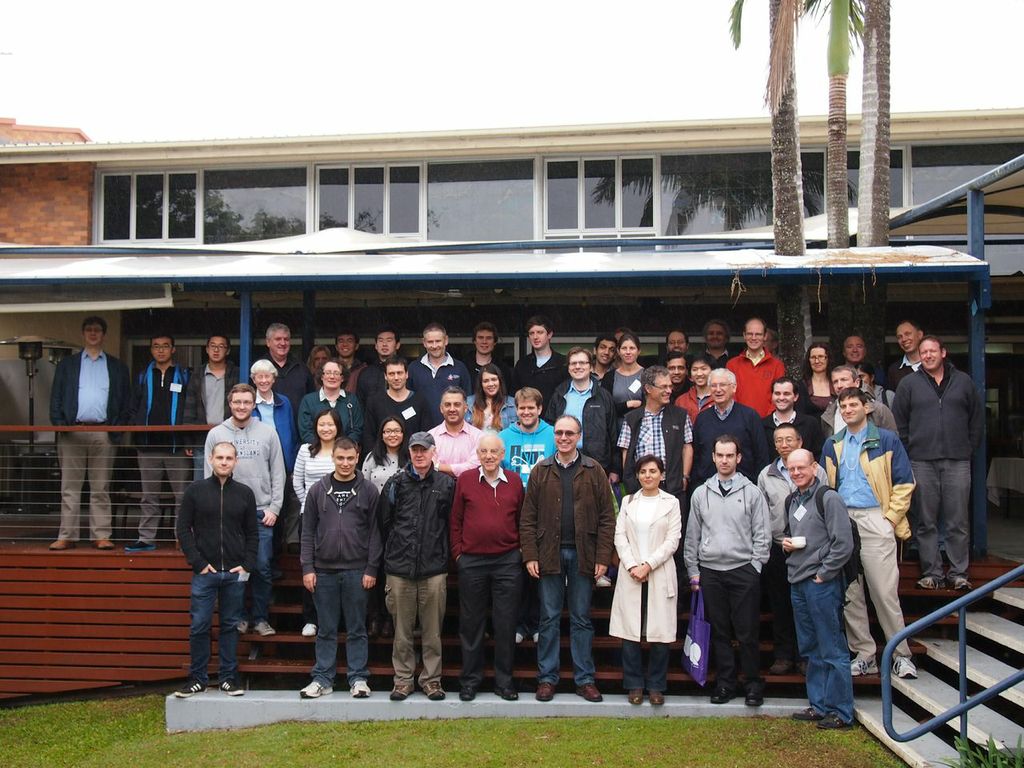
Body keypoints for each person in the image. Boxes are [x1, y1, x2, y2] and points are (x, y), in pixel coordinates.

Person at [822, 388, 918, 680]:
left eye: (854, 404)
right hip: (844, 518)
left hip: (876, 515)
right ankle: (864, 654)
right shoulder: (832, 444)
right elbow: (828, 485)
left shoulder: (885, 440)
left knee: (884, 591)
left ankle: (901, 655)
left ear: (867, 408)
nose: (848, 409)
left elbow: (904, 482)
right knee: (850, 592)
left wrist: (889, 519)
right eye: (844, 405)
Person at [520, 415, 616, 703]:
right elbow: (528, 518)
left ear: (579, 436)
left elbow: (607, 518)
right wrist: (530, 555)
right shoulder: (541, 470)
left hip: (583, 554)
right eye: (559, 433)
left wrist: (602, 557)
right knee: (548, 618)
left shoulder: (593, 469)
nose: (563, 437)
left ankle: (584, 679)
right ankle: (547, 679)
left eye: (569, 433)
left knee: (581, 619)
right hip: (548, 553)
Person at [684, 434, 771, 706]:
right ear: (713, 457)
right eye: (719, 455)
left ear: (738, 458)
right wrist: (693, 569)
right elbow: (692, 535)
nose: (724, 460)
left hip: (743, 569)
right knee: (720, 632)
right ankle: (725, 683)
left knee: (747, 632)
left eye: (729, 455)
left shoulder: (752, 492)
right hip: (710, 572)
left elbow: (762, 533)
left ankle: (752, 684)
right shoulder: (701, 493)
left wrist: (756, 566)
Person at [893, 335, 983, 591]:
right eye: (924, 352)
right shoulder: (909, 384)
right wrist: (911, 450)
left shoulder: (963, 381)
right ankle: (931, 572)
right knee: (925, 520)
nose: (928, 355)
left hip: (957, 460)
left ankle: (958, 573)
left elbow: (976, 420)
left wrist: (968, 448)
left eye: (933, 351)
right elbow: (900, 422)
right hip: (921, 461)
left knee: (958, 520)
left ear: (943, 353)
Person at [298, 438, 382, 699]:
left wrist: (371, 568)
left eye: (350, 458)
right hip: (323, 571)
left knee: (357, 628)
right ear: (333, 458)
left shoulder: (368, 490)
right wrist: (307, 567)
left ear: (357, 458)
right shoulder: (317, 490)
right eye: (340, 458)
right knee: (326, 629)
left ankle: (358, 678)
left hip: (358, 570)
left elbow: (376, 533)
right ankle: (323, 678)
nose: (345, 463)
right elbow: (307, 531)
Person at [174, 441, 257, 698]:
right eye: (219, 457)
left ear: (236, 462)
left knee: (230, 626)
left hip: (234, 573)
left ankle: (228, 679)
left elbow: (253, 534)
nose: (224, 462)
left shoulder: (244, 493)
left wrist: (247, 564)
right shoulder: (195, 491)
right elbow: (182, 529)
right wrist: (198, 563)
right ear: (210, 459)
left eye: (229, 458)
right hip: (205, 573)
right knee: (199, 625)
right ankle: (197, 678)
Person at [378, 432, 456, 702]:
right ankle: (403, 681)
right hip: (399, 568)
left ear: (434, 452)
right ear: (409, 452)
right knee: (402, 632)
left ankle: (432, 681)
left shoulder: (446, 484)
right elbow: (384, 522)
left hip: (434, 568)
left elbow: (450, 525)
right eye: (415, 450)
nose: (419, 454)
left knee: (433, 632)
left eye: (424, 450)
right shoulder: (396, 482)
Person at [204, 384, 286, 638]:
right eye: (237, 402)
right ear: (230, 404)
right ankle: (238, 617)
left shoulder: (268, 432)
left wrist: (275, 507)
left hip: (262, 514)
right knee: (235, 570)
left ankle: (260, 618)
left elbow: (278, 472)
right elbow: (209, 475)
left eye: (247, 402)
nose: (242, 406)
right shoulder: (216, 434)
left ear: (254, 404)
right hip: (229, 516)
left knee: (261, 567)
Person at [783, 448, 855, 730]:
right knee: (811, 646)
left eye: (802, 467)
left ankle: (841, 711)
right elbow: (799, 535)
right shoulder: (792, 500)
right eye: (792, 469)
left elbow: (843, 543)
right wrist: (786, 543)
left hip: (821, 583)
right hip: (798, 580)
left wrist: (825, 574)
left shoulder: (829, 497)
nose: (797, 473)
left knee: (832, 646)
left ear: (814, 467)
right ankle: (819, 704)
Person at [450, 432, 525, 701]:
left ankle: (504, 682)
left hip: (507, 561)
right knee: (472, 624)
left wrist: (518, 554)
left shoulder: (515, 482)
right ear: (478, 455)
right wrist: (459, 554)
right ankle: (470, 681)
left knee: (505, 624)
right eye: (484, 452)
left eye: (494, 452)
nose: (489, 456)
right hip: (472, 562)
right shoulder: (466, 480)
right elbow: (455, 520)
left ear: (502, 454)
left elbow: (521, 521)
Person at [49, 315, 130, 551]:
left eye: (97, 330)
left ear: (104, 335)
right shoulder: (68, 365)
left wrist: (116, 427)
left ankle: (101, 535)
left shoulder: (117, 366)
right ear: (83, 334)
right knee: (70, 487)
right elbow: (56, 398)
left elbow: (124, 402)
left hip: (103, 433)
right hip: (72, 432)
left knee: (101, 487)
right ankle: (67, 535)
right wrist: (61, 425)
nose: (93, 334)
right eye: (89, 330)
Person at [609, 455, 681, 706]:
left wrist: (648, 564)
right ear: (637, 475)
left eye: (653, 471)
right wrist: (631, 565)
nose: (647, 476)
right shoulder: (628, 502)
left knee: (659, 632)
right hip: (631, 573)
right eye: (643, 471)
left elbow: (672, 541)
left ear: (662, 475)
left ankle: (657, 686)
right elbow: (619, 537)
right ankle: (634, 684)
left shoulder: (671, 503)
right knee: (630, 632)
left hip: (658, 571)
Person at [757, 423, 827, 675]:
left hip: (810, 548)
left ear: (799, 441)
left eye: (789, 439)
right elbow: (762, 514)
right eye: (779, 440)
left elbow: (825, 504)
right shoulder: (766, 474)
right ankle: (784, 655)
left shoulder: (815, 470)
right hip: (778, 547)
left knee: (807, 604)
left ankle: (805, 655)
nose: (784, 444)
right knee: (780, 604)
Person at [124, 334, 191, 553]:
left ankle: (181, 539)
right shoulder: (143, 375)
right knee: (148, 496)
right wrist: (136, 430)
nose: (161, 350)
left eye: (165, 346)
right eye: (156, 346)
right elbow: (132, 406)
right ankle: (146, 538)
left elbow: (190, 406)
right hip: (148, 445)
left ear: (173, 349)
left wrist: (187, 438)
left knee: (182, 497)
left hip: (176, 446)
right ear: (151, 350)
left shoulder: (183, 375)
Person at [292, 408, 342, 637]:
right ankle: (310, 618)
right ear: (315, 427)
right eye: (322, 424)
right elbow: (297, 482)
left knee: (335, 569)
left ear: (337, 427)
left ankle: (336, 618)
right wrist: (309, 506)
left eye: (330, 424)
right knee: (309, 567)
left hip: (339, 520)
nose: (326, 428)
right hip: (310, 518)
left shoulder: (343, 450)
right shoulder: (305, 450)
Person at [360, 416, 408, 639]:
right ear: (381, 434)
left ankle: (390, 618)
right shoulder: (372, 458)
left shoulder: (409, 458)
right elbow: (363, 488)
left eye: (397, 431)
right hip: (375, 520)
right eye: (388, 431)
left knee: (394, 571)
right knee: (374, 569)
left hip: (402, 521)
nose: (392, 435)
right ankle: (374, 617)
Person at [618, 365, 693, 499]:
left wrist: (684, 477)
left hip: (672, 487)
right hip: (641, 488)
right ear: (648, 388)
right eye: (663, 387)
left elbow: (687, 446)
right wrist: (631, 482)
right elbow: (626, 452)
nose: (669, 391)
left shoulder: (680, 415)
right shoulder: (631, 418)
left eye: (670, 386)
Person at [690, 368, 770, 488]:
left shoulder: (749, 416)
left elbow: (761, 455)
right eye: (713, 386)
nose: (718, 390)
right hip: (708, 488)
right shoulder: (702, 418)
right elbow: (696, 456)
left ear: (733, 387)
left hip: (744, 489)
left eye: (722, 385)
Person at [545, 346, 618, 478]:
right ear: (568, 368)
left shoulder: (603, 396)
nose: (577, 366)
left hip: (597, 464)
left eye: (582, 363)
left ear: (591, 367)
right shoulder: (559, 394)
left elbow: (613, 433)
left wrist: (615, 469)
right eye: (573, 363)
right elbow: (549, 429)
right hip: (563, 463)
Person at [250, 358, 300, 548]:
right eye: (259, 377)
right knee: (264, 512)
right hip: (259, 466)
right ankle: (269, 558)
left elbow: (293, 435)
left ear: (273, 379)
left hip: (283, 465)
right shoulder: (249, 403)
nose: (263, 380)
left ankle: (281, 551)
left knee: (283, 507)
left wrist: (293, 463)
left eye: (267, 376)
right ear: (253, 379)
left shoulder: (284, 402)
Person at [183, 334, 239, 480]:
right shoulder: (197, 375)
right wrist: (188, 440)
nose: (216, 350)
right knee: (202, 483)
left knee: (233, 483)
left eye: (221, 346)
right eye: (213, 346)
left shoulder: (236, 374)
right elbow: (189, 407)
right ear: (207, 349)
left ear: (227, 351)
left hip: (230, 438)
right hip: (202, 439)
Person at [408, 322, 472, 429]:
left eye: (438, 341)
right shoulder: (413, 368)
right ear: (424, 342)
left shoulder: (460, 368)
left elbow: (468, 402)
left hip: (454, 432)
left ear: (446, 340)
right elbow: (407, 401)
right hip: (422, 433)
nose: (434, 346)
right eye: (430, 342)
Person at [361, 355, 428, 457]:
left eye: (399, 373)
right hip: (382, 462)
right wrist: (375, 459)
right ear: (385, 376)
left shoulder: (419, 401)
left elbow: (425, 434)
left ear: (406, 374)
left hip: (413, 462)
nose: (396, 378)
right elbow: (368, 436)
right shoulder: (374, 401)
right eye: (391, 374)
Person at [727, 317, 786, 417]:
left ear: (765, 336)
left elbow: (780, 395)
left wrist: (769, 419)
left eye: (758, 334)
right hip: (739, 421)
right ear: (744, 335)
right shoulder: (732, 364)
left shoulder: (777, 365)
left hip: (768, 422)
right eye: (750, 334)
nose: (754, 338)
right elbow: (730, 395)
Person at [297, 360, 364, 445]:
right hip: (317, 452)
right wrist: (324, 448)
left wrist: (342, 447)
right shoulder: (308, 400)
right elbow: (306, 432)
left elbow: (357, 429)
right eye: (328, 373)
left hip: (345, 453)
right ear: (321, 376)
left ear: (342, 378)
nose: (332, 377)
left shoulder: (351, 399)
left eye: (336, 373)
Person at [820, 365, 897, 438]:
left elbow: (893, 442)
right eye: (835, 382)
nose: (839, 385)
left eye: (844, 380)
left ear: (857, 382)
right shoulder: (829, 413)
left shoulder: (878, 409)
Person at [500, 387, 556, 483]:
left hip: (545, 495)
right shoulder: (502, 437)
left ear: (539, 409)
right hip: (514, 495)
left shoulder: (554, 435)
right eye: (522, 408)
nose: (526, 412)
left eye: (530, 408)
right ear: (516, 410)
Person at [761, 376, 824, 462]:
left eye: (786, 394)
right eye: (777, 393)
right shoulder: (762, 425)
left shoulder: (810, 423)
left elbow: (818, 455)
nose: (781, 398)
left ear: (795, 397)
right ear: (772, 396)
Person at [260, 322, 314, 419]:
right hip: (267, 427)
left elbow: (311, 400)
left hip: (298, 428)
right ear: (268, 342)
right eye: (278, 339)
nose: (283, 343)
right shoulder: (259, 368)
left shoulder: (302, 368)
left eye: (286, 339)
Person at [512, 315, 567, 410]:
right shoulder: (522, 364)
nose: (535, 337)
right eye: (531, 333)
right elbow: (515, 395)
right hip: (528, 419)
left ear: (549, 335)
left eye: (540, 332)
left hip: (556, 420)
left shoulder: (563, 363)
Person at [428, 386, 483, 478]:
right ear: (441, 409)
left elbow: (473, 467)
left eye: (457, 404)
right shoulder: (430, 436)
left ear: (465, 408)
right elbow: (428, 467)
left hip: (468, 489)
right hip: (438, 489)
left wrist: (438, 466)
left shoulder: (479, 437)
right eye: (447, 405)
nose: (452, 409)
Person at [602, 330, 645, 424]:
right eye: (624, 348)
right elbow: (605, 408)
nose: (628, 352)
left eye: (632, 348)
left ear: (639, 351)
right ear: (618, 351)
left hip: (641, 428)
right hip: (616, 430)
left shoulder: (647, 375)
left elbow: (651, 406)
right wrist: (627, 405)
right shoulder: (609, 377)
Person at [356, 325, 402, 407]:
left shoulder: (406, 371)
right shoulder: (366, 373)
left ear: (397, 345)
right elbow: (360, 404)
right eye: (380, 340)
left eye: (389, 340)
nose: (384, 344)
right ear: (376, 345)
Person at [466, 363, 517, 430]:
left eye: (494, 379)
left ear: (500, 381)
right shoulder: (468, 403)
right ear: (481, 384)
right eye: (486, 381)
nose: (490, 384)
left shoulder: (513, 404)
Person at [464, 321, 514, 389]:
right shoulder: (463, 366)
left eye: (489, 338)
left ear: (495, 342)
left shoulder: (503, 369)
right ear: (474, 341)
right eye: (480, 337)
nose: (484, 342)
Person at [675, 353, 714, 425]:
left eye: (703, 369)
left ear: (713, 371)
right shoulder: (681, 400)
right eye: (695, 369)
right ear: (690, 375)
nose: (699, 373)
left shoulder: (720, 397)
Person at [887, 320, 924, 392]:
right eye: (899, 337)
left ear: (920, 335)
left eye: (907, 334)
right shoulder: (894, 370)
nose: (904, 339)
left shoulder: (933, 364)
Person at [800, 343, 833, 419]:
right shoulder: (801, 386)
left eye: (821, 357)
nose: (817, 361)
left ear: (828, 359)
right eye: (813, 357)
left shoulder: (837, 383)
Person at [334, 329, 366, 395]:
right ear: (336, 347)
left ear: (356, 346)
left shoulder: (364, 369)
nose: (345, 344)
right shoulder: (327, 369)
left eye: (349, 341)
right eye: (341, 341)